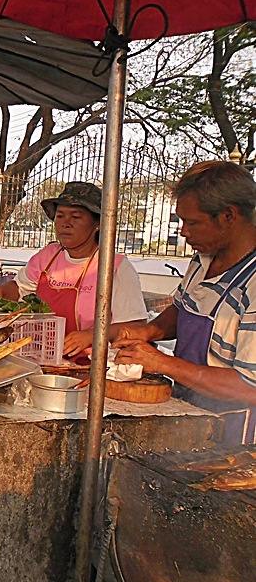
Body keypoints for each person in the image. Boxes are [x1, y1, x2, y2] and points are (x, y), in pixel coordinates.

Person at [115, 160, 256, 445]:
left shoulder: (252, 283)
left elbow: (249, 386)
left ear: (229, 216)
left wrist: (163, 363)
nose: (183, 231)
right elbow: (183, 308)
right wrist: (149, 332)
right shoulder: (204, 258)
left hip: (235, 437)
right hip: (189, 416)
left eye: (192, 222)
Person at [0, 181, 148, 358]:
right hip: (43, 355)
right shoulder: (48, 256)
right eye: (60, 216)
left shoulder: (114, 267)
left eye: (76, 217)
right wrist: (0, 292)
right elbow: (19, 288)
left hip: (91, 363)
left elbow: (136, 326)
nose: (66, 223)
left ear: (97, 223)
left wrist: (92, 336)